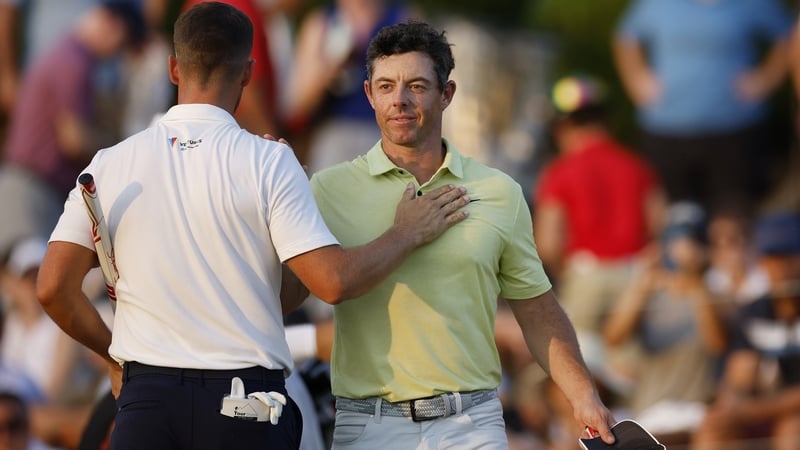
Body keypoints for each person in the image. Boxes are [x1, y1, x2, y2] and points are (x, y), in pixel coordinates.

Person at [35, 3, 469, 450]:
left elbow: (52, 289)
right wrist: (406, 232)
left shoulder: (109, 164)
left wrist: (113, 355)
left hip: (147, 406)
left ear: (173, 68)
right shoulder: (269, 162)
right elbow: (333, 283)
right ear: (247, 73)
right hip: (244, 408)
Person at [308, 20, 616, 449]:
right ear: (369, 94)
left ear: (447, 94)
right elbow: (296, 294)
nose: (399, 100)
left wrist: (583, 397)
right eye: (385, 86)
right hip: (368, 425)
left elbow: (537, 310)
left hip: (472, 424)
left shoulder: (499, 191)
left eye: (417, 86)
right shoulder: (326, 189)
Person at [532, 74, 666, 396]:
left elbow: (549, 243)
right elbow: (661, 225)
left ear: (563, 125)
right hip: (635, 278)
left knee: (575, 371)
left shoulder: (560, 171)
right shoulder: (636, 166)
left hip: (585, 277)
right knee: (631, 374)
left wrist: (568, 274)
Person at [613, 0, 793, 214]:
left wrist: (766, 79)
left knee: (733, 216)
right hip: (666, 127)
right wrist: (636, 80)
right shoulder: (656, 4)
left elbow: (789, 35)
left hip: (735, 127)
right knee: (673, 215)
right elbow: (626, 38)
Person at [0, 0, 147, 260]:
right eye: (122, 43)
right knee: (25, 278)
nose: (117, 53)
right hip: (32, 190)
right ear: (112, 25)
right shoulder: (74, 62)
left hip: (32, 186)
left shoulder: (68, 54)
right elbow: (74, 139)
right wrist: (122, 151)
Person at [603, 202, 728, 441]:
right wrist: (642, 283)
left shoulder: (715, 293)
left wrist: (694, 278)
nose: (681, 248)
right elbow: (613, 337)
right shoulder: (648, 292)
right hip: (650, 412)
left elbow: (717, 343)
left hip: (697, 412)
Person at [692, 211, 800, 450]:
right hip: (764, 411)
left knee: (793, 428)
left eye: (788, 257)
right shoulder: (754, 312)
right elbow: (739, 376)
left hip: (783, 416)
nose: (780, 267)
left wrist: (752, 410)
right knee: (713, 431)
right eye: (772, 257)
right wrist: (729, 404)